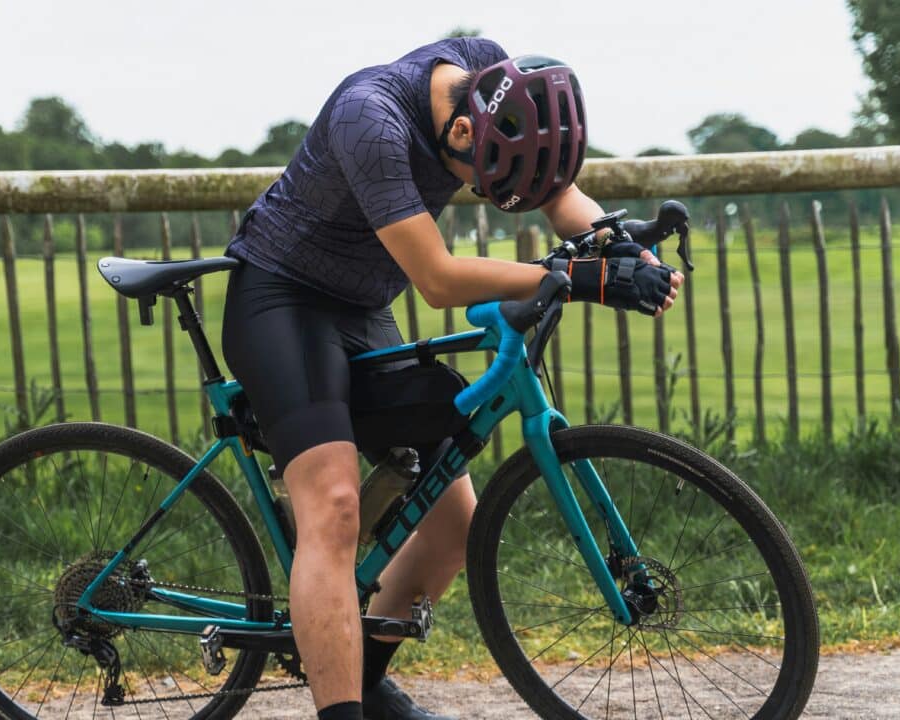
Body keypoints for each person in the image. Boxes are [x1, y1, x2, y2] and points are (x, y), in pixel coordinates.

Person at [221, 37, 683, 720]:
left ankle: (363, 682)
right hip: (280, 299)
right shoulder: (369, 117)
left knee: (453, 521)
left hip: (361, 308)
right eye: (484, 180)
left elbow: (555, 194)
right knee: (335, 507)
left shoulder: (491, 80)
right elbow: (437, 279)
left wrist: (619, 247)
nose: (485, 193)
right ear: (463, 131)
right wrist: (584, 278)